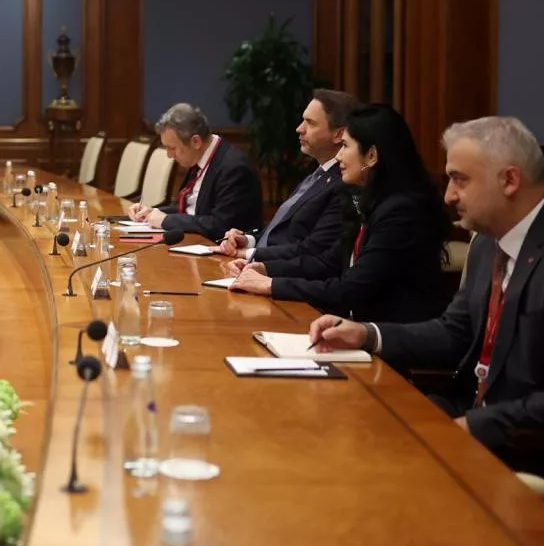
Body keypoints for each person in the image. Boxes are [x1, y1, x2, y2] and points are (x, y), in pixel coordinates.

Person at [309, 116, 544, 473]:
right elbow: (454, 332)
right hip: (462, 418)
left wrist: (473, 427)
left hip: (520, 451)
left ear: (509, 180)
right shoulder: (488, 244)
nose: (448, 196)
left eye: (460, 180)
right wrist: (367, 334)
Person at [230, 104, 449, 324]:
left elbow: (350, 289)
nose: (339, 156)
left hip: (389, 336)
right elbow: (328, 263)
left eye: (345, 146)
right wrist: (264, 269)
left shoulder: (401, 211)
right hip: (356, 327)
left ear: (371, 155)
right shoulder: (367, 198)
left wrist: (271, 285)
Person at [218, 89, 359, 268]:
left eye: (310, 123)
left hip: (278, 273)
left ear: (338, 135)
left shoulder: (343, 184)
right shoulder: (318, 174)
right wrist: (247, 240)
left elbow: (314, 249)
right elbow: (280, 232)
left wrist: (249, 254)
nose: (299, 129)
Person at [127, 103, 262, 241]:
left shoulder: (234, 168)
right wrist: (153, 212)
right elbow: (189, 208)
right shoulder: (198, 157)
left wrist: (166, 220)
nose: (169, 155)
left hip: (222, 249)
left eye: (172, 148)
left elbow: (221, 226)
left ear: (195, 141)